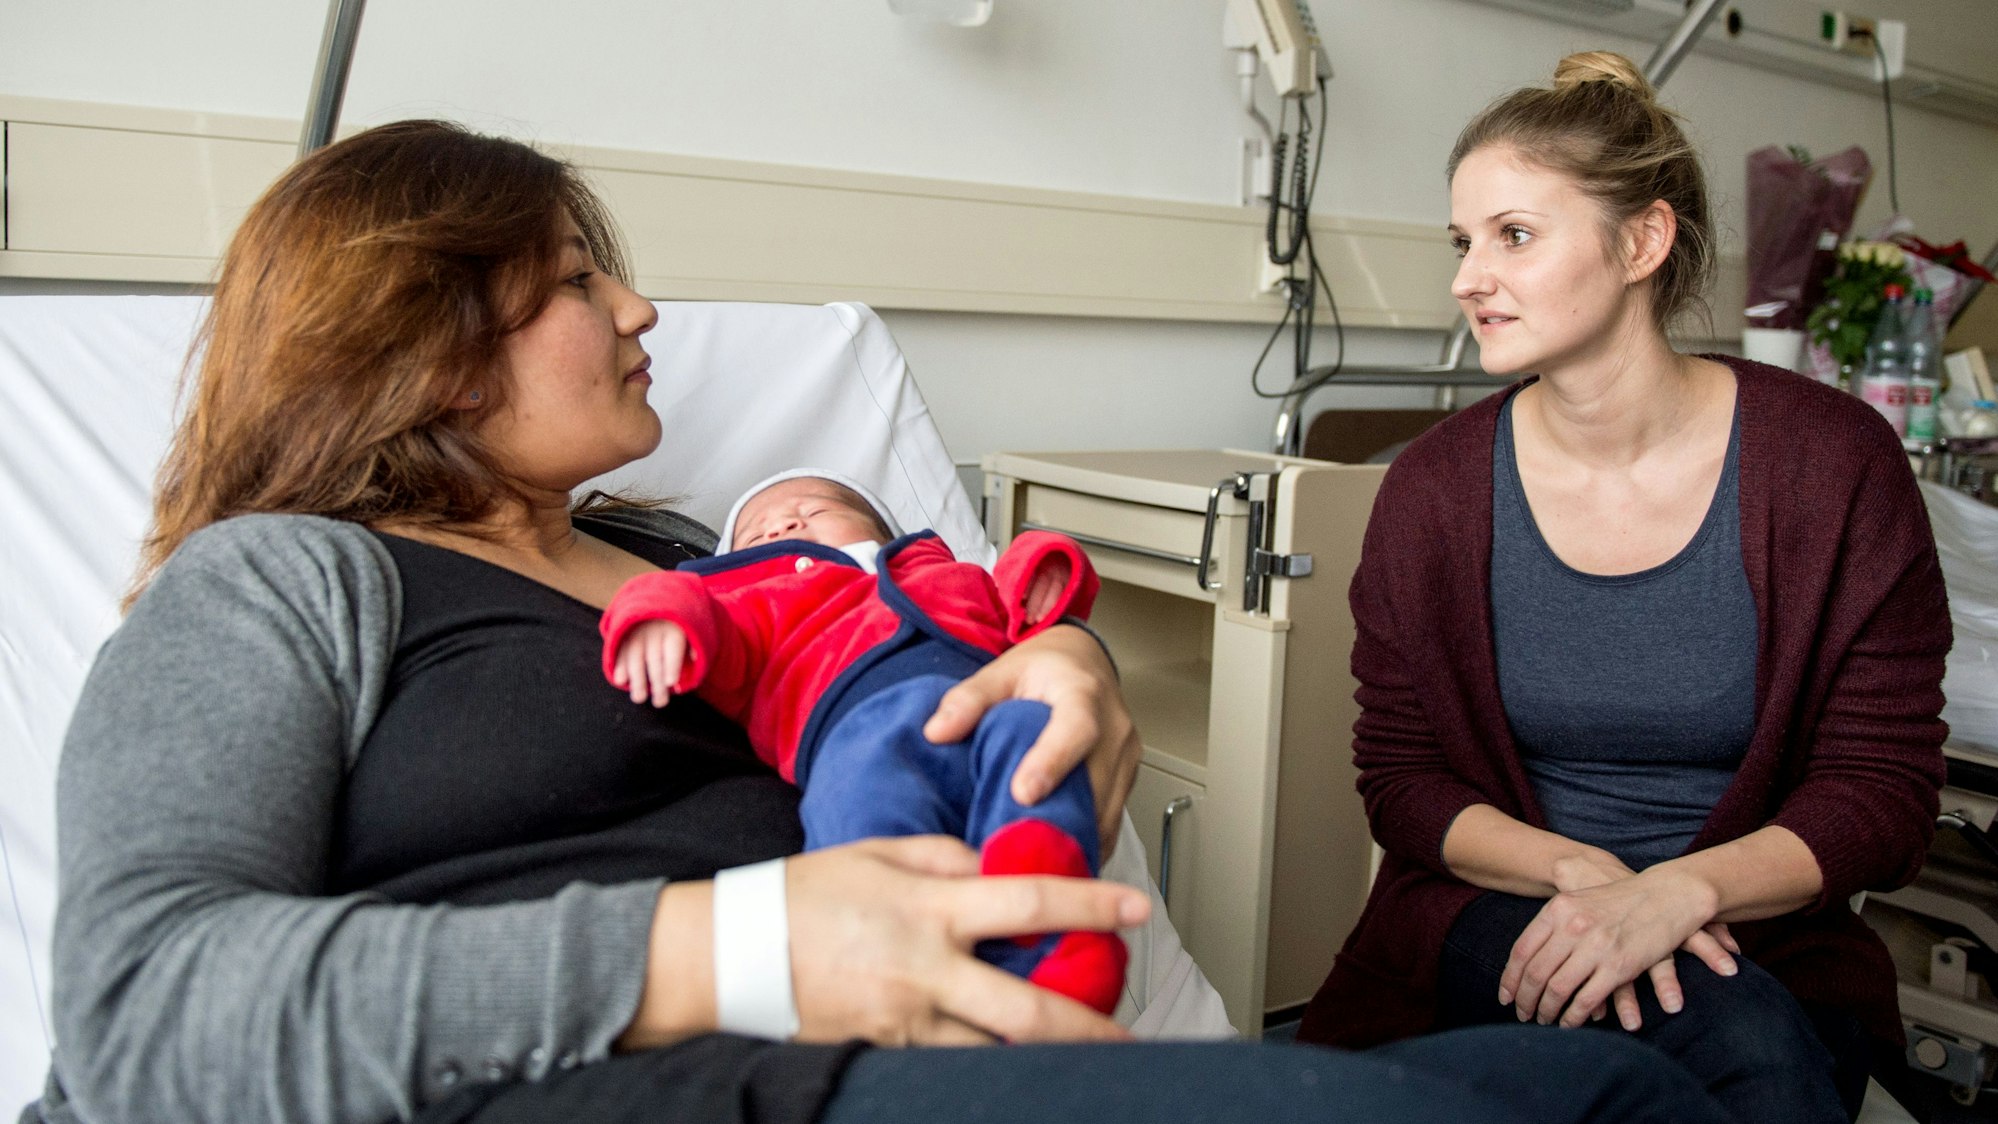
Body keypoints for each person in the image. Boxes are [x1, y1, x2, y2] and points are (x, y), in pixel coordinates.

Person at [28, 118, 1739, 1124]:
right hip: (735, 1083)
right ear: (413, 342)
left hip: (936, 1026)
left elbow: (890, 671)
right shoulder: (284, 577)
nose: (637, 305)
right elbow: (144, 1009)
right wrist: (750, 943)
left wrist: (1041, 665)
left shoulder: (693, 555)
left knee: (1631, 1094)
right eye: (568, 277)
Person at [1294, 51, 1952, 1124]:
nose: (1467, 277)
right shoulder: (1433, 490)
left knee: (1741, 1044)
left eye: (1513, 235)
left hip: (1757, 934)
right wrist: (1590, 883)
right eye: (1461, 242)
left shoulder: (1831, 466)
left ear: (1642, 241)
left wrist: (1677, 893)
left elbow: (1881, 792)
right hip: (1503, 915)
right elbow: (1401, 780)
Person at [602, 469, 1123, 1011]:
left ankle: (1052, 924)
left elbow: (1020, 586)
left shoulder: (946, 573)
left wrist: (1046, 568)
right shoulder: (755, 599)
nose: (785, 521)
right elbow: (686, 600)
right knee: (863, 807)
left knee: (1035, 739)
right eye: (756, 532)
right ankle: (913, 970)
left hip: (992, 706)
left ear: (882, 531)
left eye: (818, 509)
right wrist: (661, 616)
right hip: (859, 736)